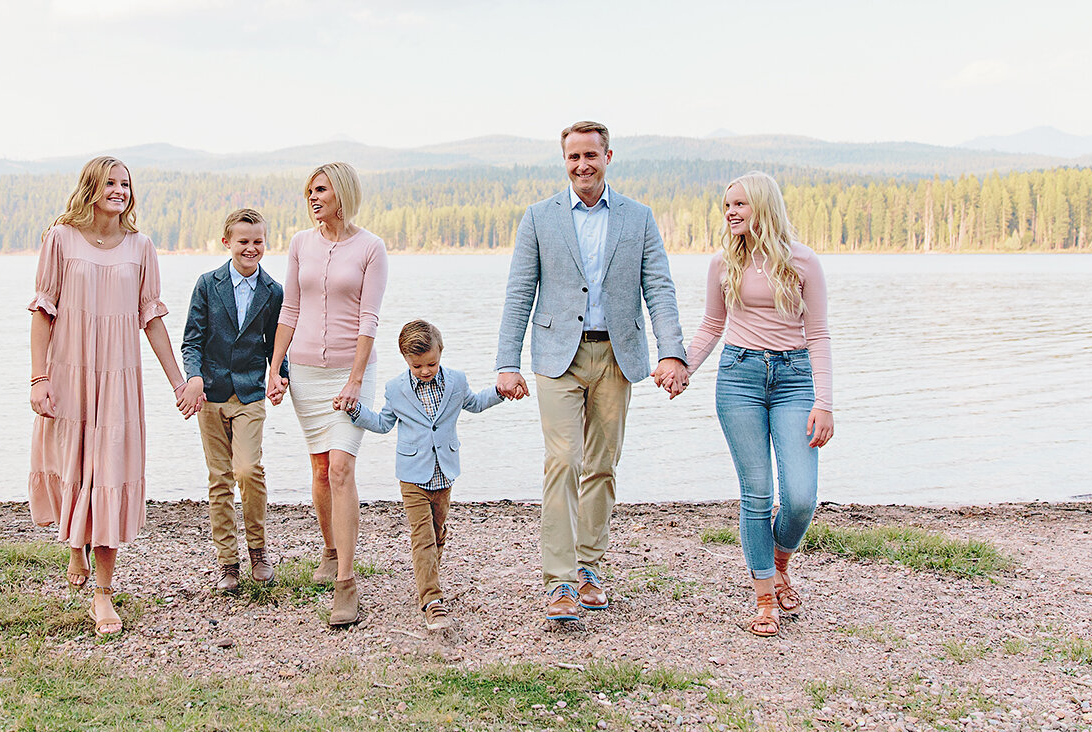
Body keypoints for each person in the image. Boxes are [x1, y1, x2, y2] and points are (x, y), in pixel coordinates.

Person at [495, 120, 688, 624]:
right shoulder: (539, 218)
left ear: (607, 157)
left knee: (602, 464)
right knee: (563, 460)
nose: (582, 165)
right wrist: (505, 363)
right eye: (572, 156)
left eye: (591, 155)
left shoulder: (638, 217)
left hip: (617, 356)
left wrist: (673, 353)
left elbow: (660, 289)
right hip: (557, 356)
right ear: (564, 160)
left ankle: (588, 569)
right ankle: (558, 581)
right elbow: (519, 293)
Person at [28, 155, 188, 637]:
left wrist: (178, 382)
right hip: (70, 371)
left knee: (110, 471)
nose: (119, 190)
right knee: (72, 463)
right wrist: (39, 378)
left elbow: (152, 319)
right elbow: (42, 312)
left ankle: (103, 595)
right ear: (91, 187)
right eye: (111, 182)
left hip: (118, 376)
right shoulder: (61, 239)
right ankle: (74, 543)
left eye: (125, 183)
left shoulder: (142, 247)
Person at [685, 171, 835, 637]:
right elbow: (712, 325)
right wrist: (682, 367)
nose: (730, 212)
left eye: (740, 205)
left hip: (795, 381)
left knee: (800, 497)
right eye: (727, 205)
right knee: (757, 493)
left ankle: (780, 558)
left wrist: (825, 402)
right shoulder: (722, 263)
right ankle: (765, 596)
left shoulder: (804, 263)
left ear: (764, 208)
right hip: (739, 377)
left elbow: (819, 334)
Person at [266, 162, 388, 628]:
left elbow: (369, 320)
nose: (313, 197)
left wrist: (356, 380)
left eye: (321, 190)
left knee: (341, 466)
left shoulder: (370, 248)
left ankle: (346, 582)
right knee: (320, 467)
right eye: (309, 191)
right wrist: (275, 368)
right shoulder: (300, 244)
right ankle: (331, 548)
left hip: (349, 372)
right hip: (305, 373)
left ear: (342, 192)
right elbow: (290, 308)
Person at [350, 319, 504, 632]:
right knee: (422, 537)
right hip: (412, 475)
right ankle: (432, 599)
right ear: (406, 360)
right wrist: (354, 411)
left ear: (440, 353)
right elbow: (382, 423)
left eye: (431, 363)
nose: (425, 370)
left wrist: (500, 391)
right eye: (417, 365)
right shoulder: (396, 389)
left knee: (438, 532)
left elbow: (474, 404)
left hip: (444, 472)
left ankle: (427, 575)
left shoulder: (457, 382)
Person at [176, 208, 289, 593]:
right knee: (219, 479)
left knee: (247, 469)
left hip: (251, 393)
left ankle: (258, 551)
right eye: (243, 241)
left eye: (257, 241)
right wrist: (193, 378)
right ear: (227, 243)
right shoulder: (208, 284)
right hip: (210, 393)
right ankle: (228, 563)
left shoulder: (273, 291)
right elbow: (192, 340)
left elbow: (278, 342)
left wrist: (279, 375)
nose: (251, 248)